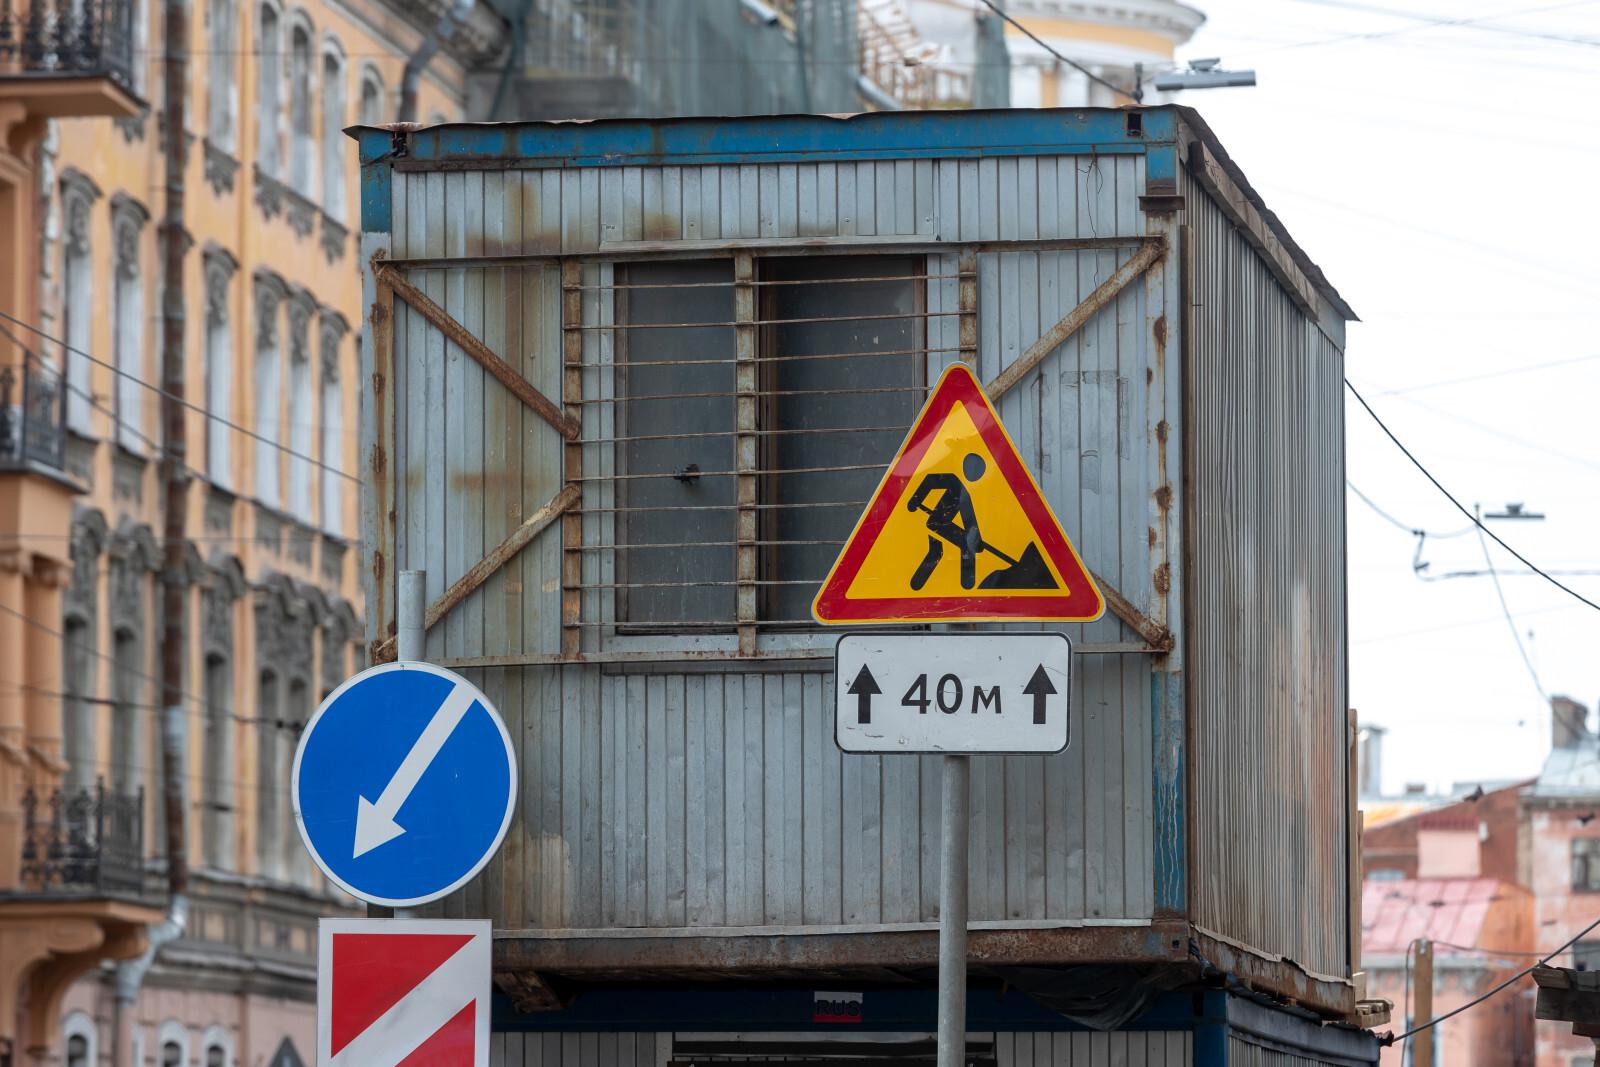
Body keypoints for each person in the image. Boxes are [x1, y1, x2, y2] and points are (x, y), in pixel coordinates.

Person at [906, 453, 987, 591]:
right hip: (937, 521)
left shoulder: (966, 493)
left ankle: (967, 582)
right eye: (974, 471)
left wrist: (976, 538)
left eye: (977, 474)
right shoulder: (953, 480)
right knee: (943, 549)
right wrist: (914, 500)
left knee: (959, 546)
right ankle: (917, 584)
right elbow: (929, 480)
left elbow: (969, 519)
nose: (975, 476)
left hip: (939, 522)